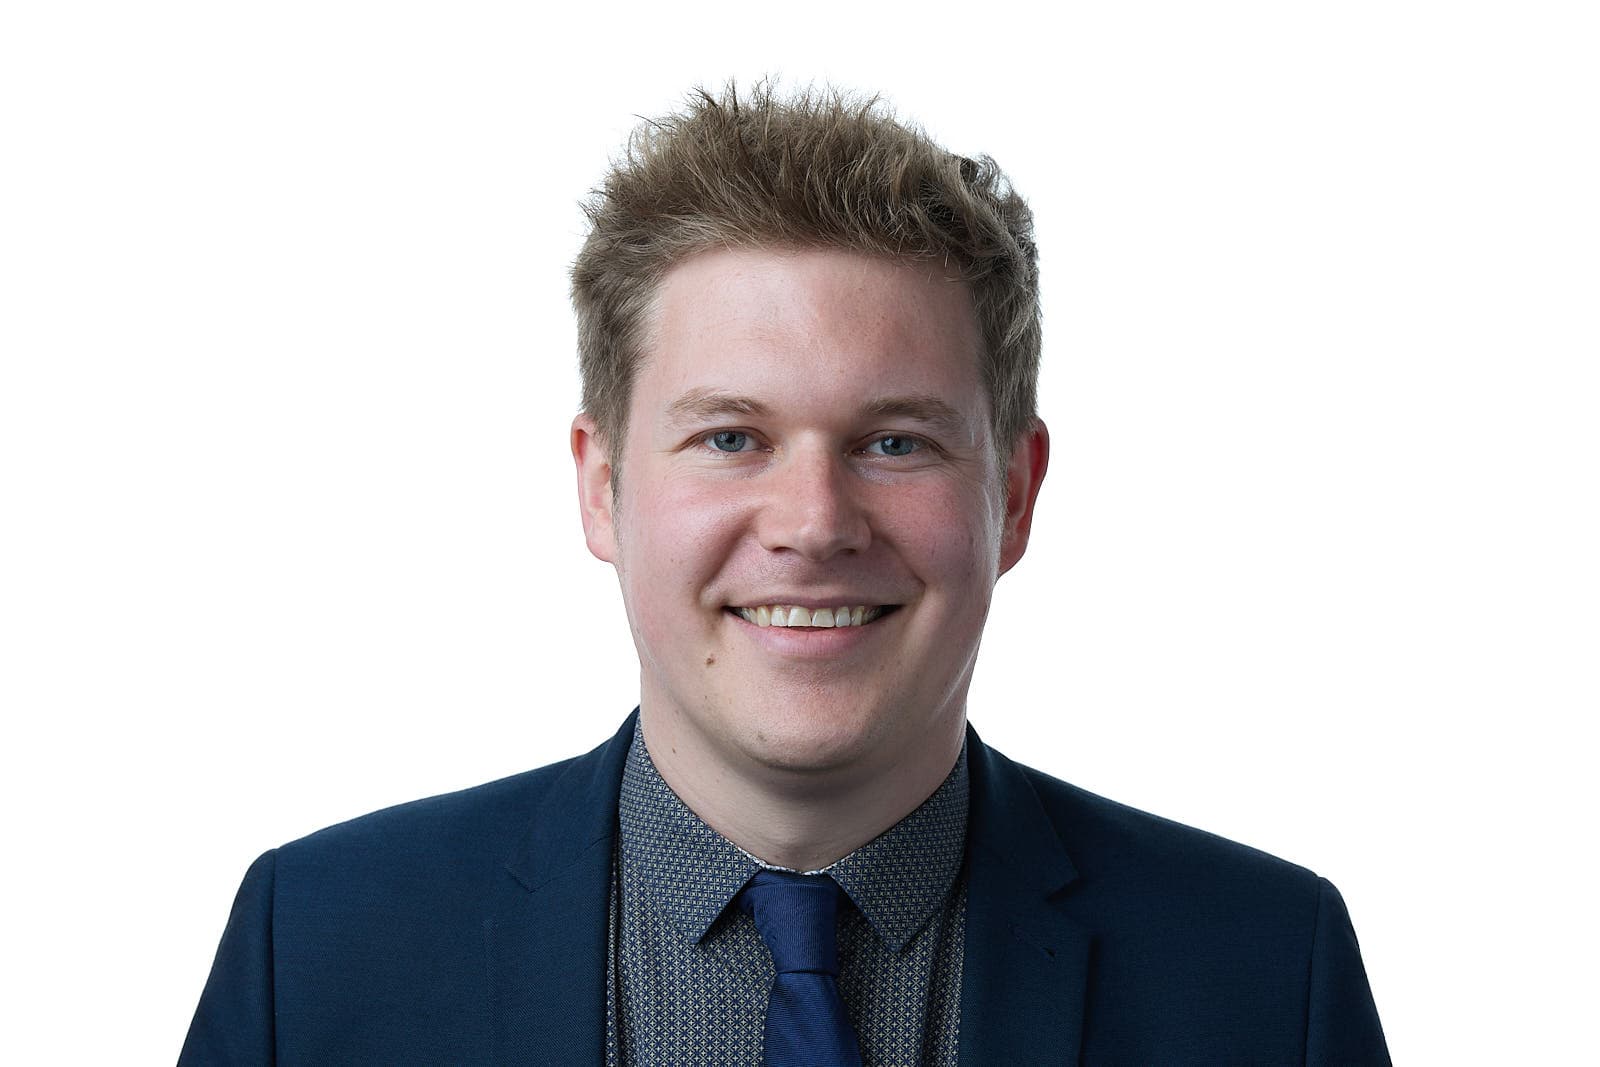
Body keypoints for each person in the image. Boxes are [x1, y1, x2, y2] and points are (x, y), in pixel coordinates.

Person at [181, 84, 1389, 1065]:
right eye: (730, 437)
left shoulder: (1264, 975)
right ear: (599, 485)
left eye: (894, 441)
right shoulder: (322, 953)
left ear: (1013, 493)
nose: (813, 522)